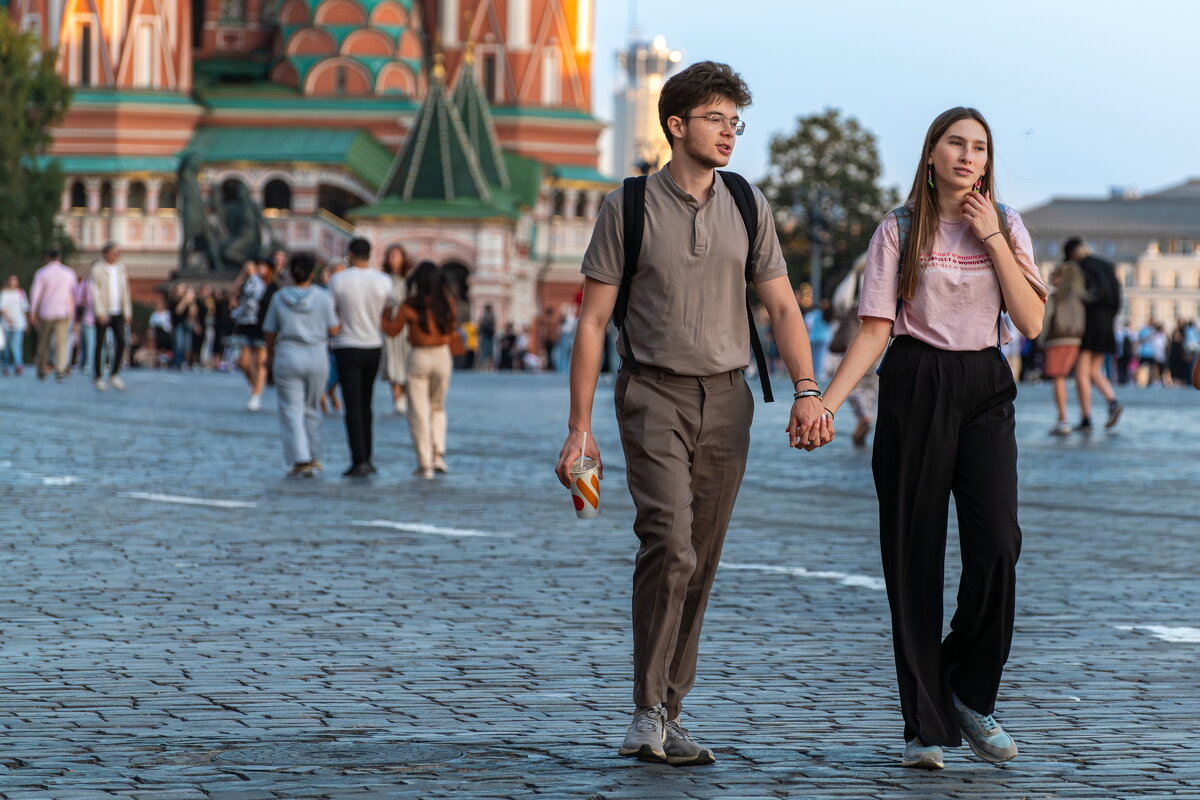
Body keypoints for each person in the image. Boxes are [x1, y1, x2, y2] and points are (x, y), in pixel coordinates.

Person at [553, 61, 826, 767]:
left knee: (699, 560)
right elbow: (592, 324)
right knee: (668, 544)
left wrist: (806, 388)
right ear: (676, 125)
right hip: (652, 394)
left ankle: (671, 712)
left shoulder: (747, 202)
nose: (730, 131)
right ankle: (646, 709)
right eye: (716, 118)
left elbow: (783, 306)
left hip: (730, 400)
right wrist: (579, 428)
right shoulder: (629, 206)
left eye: (736, 120)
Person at [817, 107, 1047, 770]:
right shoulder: (897, 228)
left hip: (984, 382)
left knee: (999, 544)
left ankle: (966, 689)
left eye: (979, 147)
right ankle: (925, 723)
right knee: (913, 556)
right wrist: (826, 405)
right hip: (916, 381)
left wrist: (993, 239)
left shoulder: (1006, 223)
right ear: (931, 154)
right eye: (956, 143)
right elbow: (873, 328)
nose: (968, 155)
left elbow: (1030, 320)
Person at [263, 253, 340, 478]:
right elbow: (333, 329)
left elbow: (269, 330)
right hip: (317, 354)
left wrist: (270, 354)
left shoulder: (279, 297)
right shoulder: (322, 297)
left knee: (291, 409)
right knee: (313, 406)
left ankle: (300, 458)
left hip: (288, 352)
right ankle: (314, 455)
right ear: (311, 272)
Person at [385, 261, 458, 478]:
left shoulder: (411, 304)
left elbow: (392, 331)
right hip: (442, 356)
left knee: (418, 412)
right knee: (438, 407)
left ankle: (424, 462)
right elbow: (453, 329)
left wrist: (386, 312)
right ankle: (439, 456)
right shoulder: (448, 303)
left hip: (418, 356)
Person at [329, 237, 393, 477]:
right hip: (373, 345)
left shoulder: (338, 280)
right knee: (367, 403)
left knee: (352, 405)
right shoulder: (383, 280)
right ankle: (368, 456)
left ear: (351, 254)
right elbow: (389, 309)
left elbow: (331, 314)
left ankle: (358, 459)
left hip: (346, 345)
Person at [1063, 238, 1122, 428]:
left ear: (1072, 254)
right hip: (1107, 323)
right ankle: (1113, 402)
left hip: (1088, 322)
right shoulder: (1107, 265)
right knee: (1095, 370)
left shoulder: (1078, 267)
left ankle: (1086, 417)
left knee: (1081, 372)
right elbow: (1118, 298)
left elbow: (1076, 297)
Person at [826, 254, 879, 447]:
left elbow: (840, 303)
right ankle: (868, 417)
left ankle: (863, 416)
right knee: (872, 384)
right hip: (880, 341)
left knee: (850, 382)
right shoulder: (883, 275)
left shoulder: (854, 279)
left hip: (854, 338)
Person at [1040, 262, 1087, 435]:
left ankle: (1062, 420)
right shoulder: (1079, 298)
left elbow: (1045, 322)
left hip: (1057, 340)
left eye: (1054, 276)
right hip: (1076, 341)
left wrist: (1040, 340)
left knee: (1058, 379)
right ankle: (1084, 416)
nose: (1051, 279)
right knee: (1073, 378)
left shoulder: (1056, 298)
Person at [88, 242, 133, 391]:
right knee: (100, 344)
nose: (117, 255)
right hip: (103, 311)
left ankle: (114, 373)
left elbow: (125, 290)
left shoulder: (121, 268)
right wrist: (99, 311)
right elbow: (95, 291)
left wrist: (127, 311)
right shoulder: (98, 269)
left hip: (118, 311)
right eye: (115, 252)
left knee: (121, 341)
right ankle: (99, 376)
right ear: (106, 253)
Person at [30, 249, 78, 381]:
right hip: (63, 311)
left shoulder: (42, 273)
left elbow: (36, 294)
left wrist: (33, 311)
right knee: (62, 342)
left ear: (47, 258)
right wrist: (74, 313)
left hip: (46, 311)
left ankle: (41, 369)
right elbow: (75, 294)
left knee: (43, 342)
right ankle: (60, 369)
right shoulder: (68, 273)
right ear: (59, 257)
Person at [230, 260, 269, 409]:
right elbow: (235, 294)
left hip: (260, 323)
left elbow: (257, 293)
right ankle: (255, 387)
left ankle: (256, 395)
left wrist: (253, 275)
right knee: (243, 362)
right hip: (245, 323)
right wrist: (242, 276)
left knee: (260, 362)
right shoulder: (248, 281)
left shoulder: (261, 282)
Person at [381, 244, 412, 414]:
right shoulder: (383, 278)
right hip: (388, 325)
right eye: (390, 256)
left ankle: (405, 394)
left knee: (406, 359)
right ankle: (396, 396)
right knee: (391, 360)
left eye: (396, 255)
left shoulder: (409, 279)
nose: (393, 259)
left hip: (405, 327)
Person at [1, 275, 30, 376]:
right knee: (6, 347)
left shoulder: (20, 293)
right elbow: (2, 308)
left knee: (16, 345)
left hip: (19, 323)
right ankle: (6, 365)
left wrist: (26, 323)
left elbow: (24, 309)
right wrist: (8, 318)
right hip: (6, 325)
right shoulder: (4, 293)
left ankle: (18, 365)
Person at [73, 272, 96, 376]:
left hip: (91, 317)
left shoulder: (86, 282)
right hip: (90, 317)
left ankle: (88, 364)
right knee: (91, 343)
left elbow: (78, 300)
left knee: (89, 343)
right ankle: (91, 365)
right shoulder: (87, 282)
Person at [478, 303, 496, 371]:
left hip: (488, 334)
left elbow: (483, 324)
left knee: (488, 350)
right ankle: (484, 366)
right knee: (485, 350)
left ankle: (488, 366)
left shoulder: (489, 315)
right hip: (486, 334)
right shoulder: (487, 315)